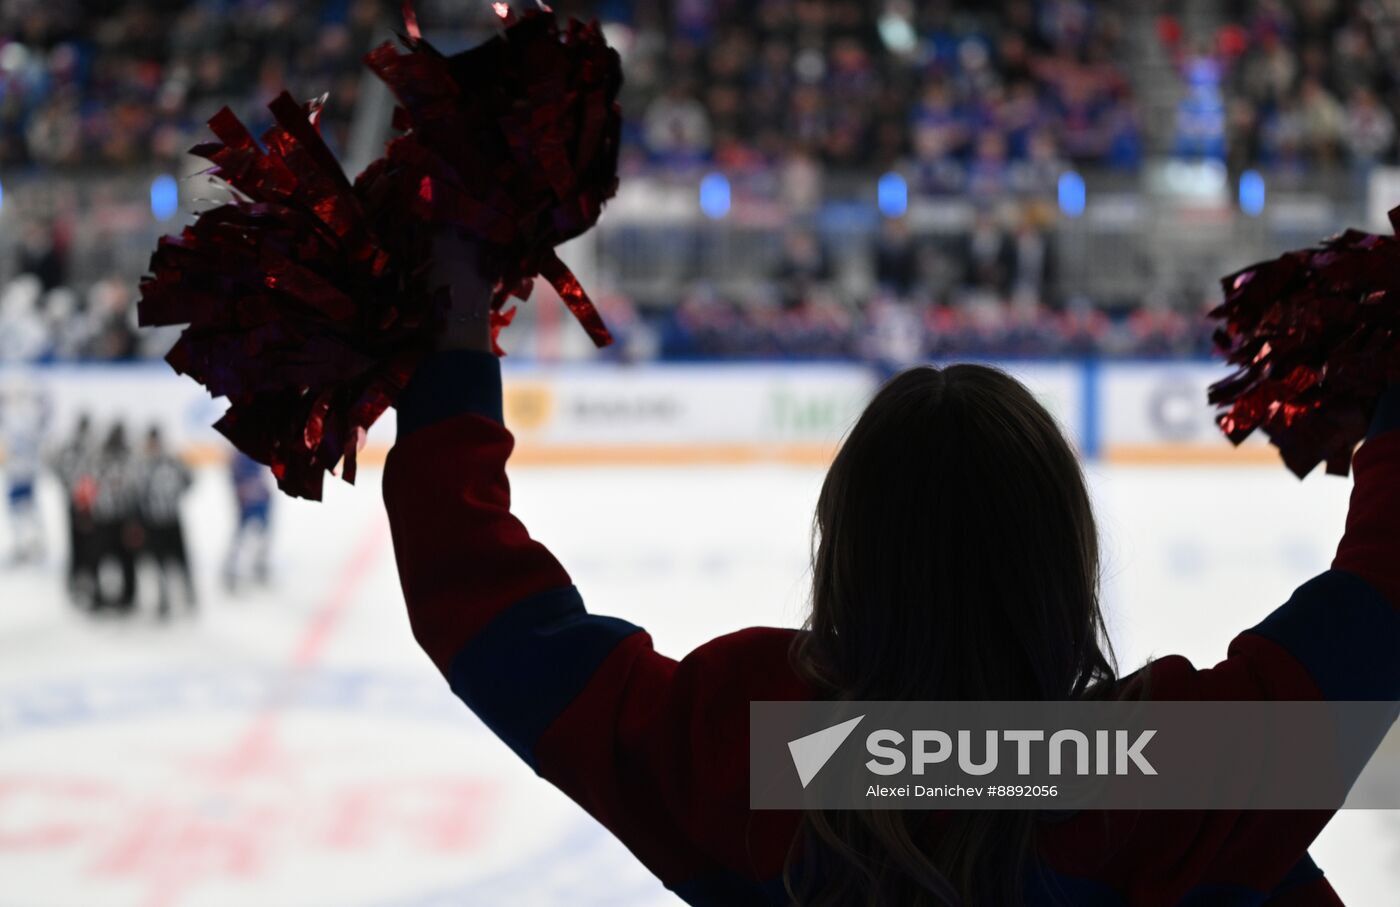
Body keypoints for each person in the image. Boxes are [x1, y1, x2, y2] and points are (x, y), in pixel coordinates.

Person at [377, 234, 1394, 904]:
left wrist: (453, 329)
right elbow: (1382, 600)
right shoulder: (1173, 778)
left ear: (846, 553)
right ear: (1064, 556)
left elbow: (491, 616)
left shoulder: (757, 759)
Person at [136, 426, 195, 617]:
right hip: (154, 523)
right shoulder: (146, 464)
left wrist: (173, 498)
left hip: (171, 520)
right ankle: (165, 600)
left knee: (181, 561)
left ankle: (189, 595)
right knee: (159, 563)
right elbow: (139, 493)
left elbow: (189, 480)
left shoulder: (170, 462)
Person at [89, 423, 139, 614]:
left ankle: (126, 596)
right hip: (105, 518)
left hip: (120, 518)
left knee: (125, 560)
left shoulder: (128, 458)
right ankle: (101, 595)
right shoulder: (100, 459)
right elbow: (91, 485)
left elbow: (134, 487)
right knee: (102, 559)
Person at [0, 378, 50, 564]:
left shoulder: (24, 422)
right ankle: (25, 544)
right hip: (19, 474)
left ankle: (33, 544)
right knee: (20, 512)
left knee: (27, 510)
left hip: (23, 474)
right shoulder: (18, 422)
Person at [50, 413, 98, 604]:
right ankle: (79, 583)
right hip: (82, 503)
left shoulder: (81, 446)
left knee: (82, 545)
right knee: (83, 545)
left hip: (83, 502)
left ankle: (80, 583)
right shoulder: (86, 447)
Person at [224, 450, 272, 590]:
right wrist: (242, 491)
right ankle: (232, 571)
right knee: (242, 537)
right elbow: (235, 475)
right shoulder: (240, 455)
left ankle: (260, 566)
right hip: (248, 501)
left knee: (263, 536)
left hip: (261, 500)